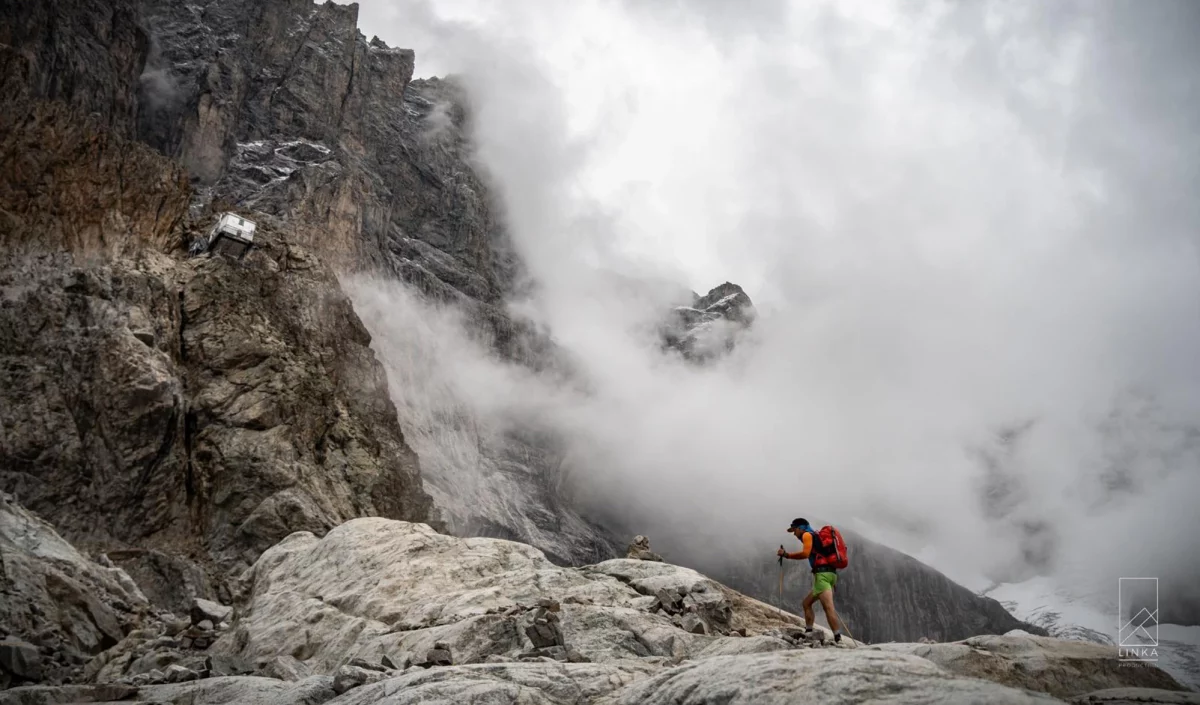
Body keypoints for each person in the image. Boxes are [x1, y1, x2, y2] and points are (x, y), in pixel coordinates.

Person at [777, 517, 844, 642]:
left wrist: (786, 555)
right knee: (806, 603)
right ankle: (809, 632)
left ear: (800, 528)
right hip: (830, 574)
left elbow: (805, 554)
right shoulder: (816, 536)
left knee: (828, 607)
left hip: (822, 575)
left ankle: (838, 639)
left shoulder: (807, 535)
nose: (794, 534)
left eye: (794, 530)